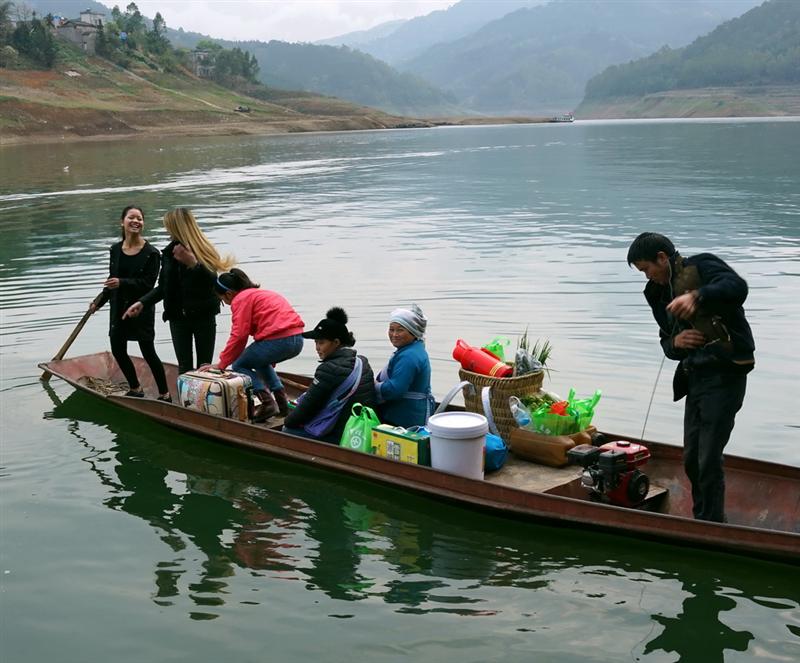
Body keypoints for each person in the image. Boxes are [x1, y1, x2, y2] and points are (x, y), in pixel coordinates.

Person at [627, 232, 755, 523]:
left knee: (708, 457)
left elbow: (737, 287)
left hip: (725, 374)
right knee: (691, 459)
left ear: (662, 258)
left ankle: (710, 523)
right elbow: (666, 341)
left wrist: (698, 296)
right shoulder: (656, 293)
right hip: (694, 375)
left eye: (647, 268)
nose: (648, 276)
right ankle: (704, 519)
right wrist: (677, 343)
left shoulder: (703, 267)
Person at [123, 207, 235, 375]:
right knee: (184, 367)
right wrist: (142, 302)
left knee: (204, 366)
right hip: (177, 317)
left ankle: (205, 399)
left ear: (176, 227)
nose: (167, 230)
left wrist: (194, 264)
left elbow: (216, 283)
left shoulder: (202, 250)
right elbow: (163, 287)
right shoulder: (169, 253)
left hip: (203, 316)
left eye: (168, 226)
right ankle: (187, 401)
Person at [90, 205, 171, 401]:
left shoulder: (151, 253)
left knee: (148, 351)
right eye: (131, 218)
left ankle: (165, 394)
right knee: (117, 349)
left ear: (143, 224)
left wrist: (122, 282)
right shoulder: (115, 249)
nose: (136, 221)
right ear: (122, 222)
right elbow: (112, 280)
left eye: (139, 219)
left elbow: (148, 284)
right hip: (118, 307)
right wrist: (98, 302)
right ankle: (135, 388)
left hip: (141, 308)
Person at [201, 268, 304, 418]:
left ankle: (268, 403)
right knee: (258, 362)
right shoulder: (262, 293)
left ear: (229, 294)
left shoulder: (240, 300)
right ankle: (282, 405)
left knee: (239, 364)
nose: (226, 303)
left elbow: (239, 335)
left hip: (279, 340)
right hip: (297, 339)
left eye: (223, 300)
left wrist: (222, 364)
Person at [283, 307, 376, 444]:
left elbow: (308, 407)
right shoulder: (362, 362)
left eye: (321, 342)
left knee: (288, 430)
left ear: (336, 343)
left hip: (340, 433)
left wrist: (287, 420)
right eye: (315, 343)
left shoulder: (328, 369)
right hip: (361, 428)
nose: (317, 348)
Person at [374, 303, 434, 428]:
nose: (394, 334)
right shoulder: (412, 349)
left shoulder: (409, 356)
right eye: (391, 329)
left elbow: (395, 390)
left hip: (407, 419)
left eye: (400, 330)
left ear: (413, 332)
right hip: (410, 413)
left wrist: (373, 386)